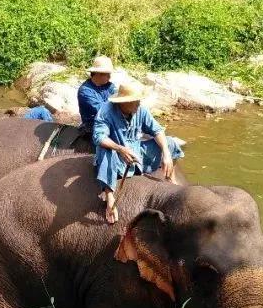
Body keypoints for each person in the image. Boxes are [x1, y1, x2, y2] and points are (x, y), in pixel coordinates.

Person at [92, 80, 184, 224]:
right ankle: (109, 197)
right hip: (117, 156)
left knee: (170, 142)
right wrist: (120, 149)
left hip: (136, 153)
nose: (138, 103)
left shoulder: (140, 110)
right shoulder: (106, 112)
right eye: (135, 101)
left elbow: (157, 130)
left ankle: (170, 177)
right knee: (104, 151)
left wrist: (166, 153)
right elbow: (99, 137)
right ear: (123, 102)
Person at [77, 55, 117, 132]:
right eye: (107, 74)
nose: (109, 77)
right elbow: (102, 110)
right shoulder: (85, 91)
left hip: (111, 123)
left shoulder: (109, 86)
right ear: (98, 73)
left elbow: (118, 100)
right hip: (93, 127)